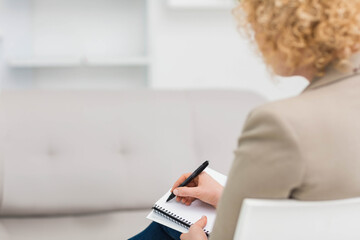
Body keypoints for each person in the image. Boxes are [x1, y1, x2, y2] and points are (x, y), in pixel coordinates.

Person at [130, 0, 360, 239]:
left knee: (167, 228)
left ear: (282, 31)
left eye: (256, 27)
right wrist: (226, 197)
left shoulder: (280, 122)